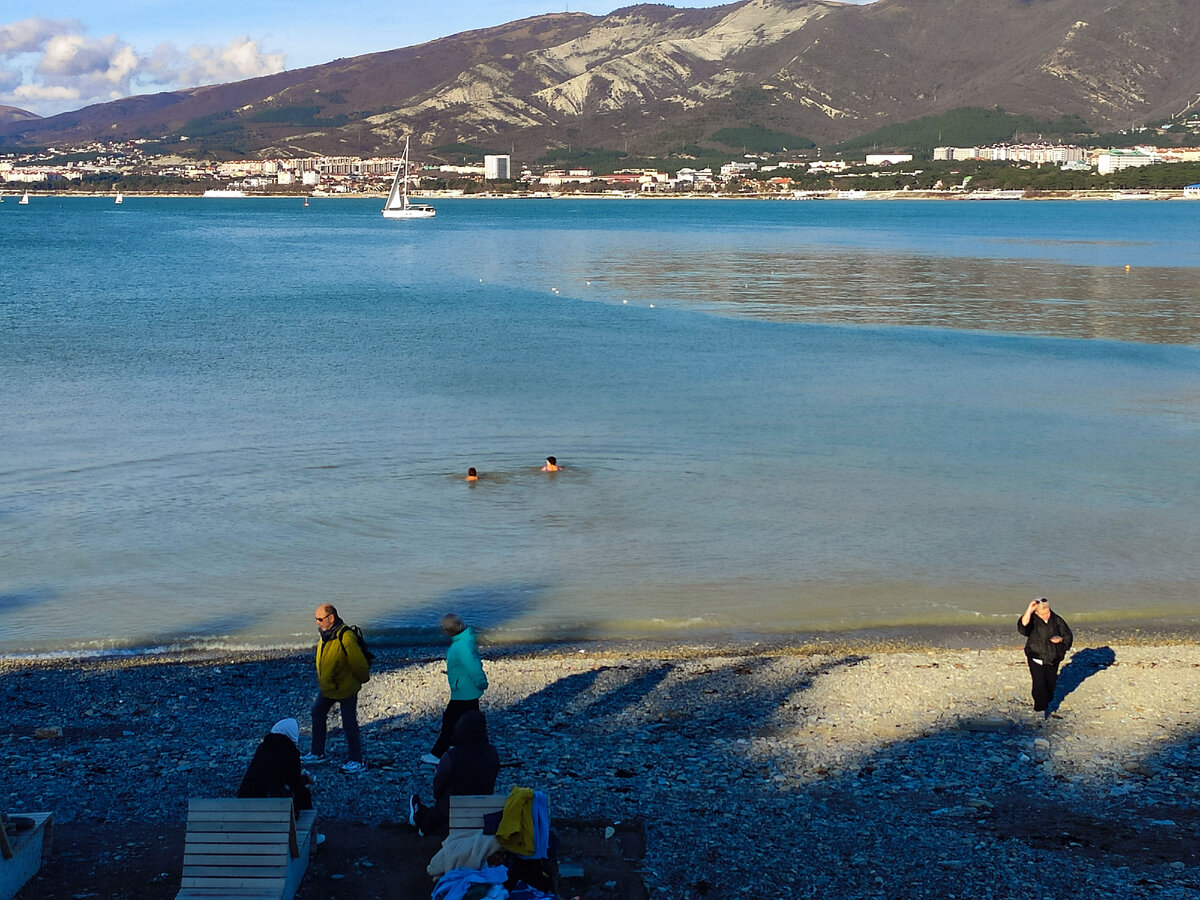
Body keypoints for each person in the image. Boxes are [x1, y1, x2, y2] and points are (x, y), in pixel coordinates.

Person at [302, 604, 370, 773]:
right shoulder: (325, 635)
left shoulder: (345, 636)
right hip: (328, 688)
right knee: (317, 713)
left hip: (346, 688)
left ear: (331, 618)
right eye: (315, 619)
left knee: (349, 723)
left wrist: (361, 680)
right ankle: (317, 752)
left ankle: (357, 760)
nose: (317, 623)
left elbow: (359, 663)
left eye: (320, 619)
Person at [409, 709, 499, 837]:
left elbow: (438, 788)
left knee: (441, 806)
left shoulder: (451, 757)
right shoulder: (492, 753)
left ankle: (422, 821)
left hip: (451, 810)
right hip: (481, 809)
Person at [422, 613, 488, 766]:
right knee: (471, 722)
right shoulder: (463, 640)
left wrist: (482, 682)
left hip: (464, 691)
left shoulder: (461, 645)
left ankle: (437, 754)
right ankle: (477, 751)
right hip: (464, 689)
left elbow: (473, 666)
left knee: (450, 722)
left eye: (444, 629)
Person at [237, 717, 313, 810]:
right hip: (267, 807)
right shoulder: (290, 753)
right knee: (303, 793)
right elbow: (294, 783)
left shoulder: (262, 748)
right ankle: (306, 821)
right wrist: (306, 779)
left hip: (244, 802)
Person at [1018, 596, 1073, 716]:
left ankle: (1046, 702)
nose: (1045, 616)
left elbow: (1068, 635)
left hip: (1053, 657)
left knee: (1050, 685)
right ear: (1036, 613)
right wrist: (1029, 609)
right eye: (1042, 614)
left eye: (1047, 613)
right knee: (1039, 684)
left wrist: (1061, 639)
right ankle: (1039, 710)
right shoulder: (1032, 619)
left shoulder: (1057, 619)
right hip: (1036, 656)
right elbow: (1023, 627)